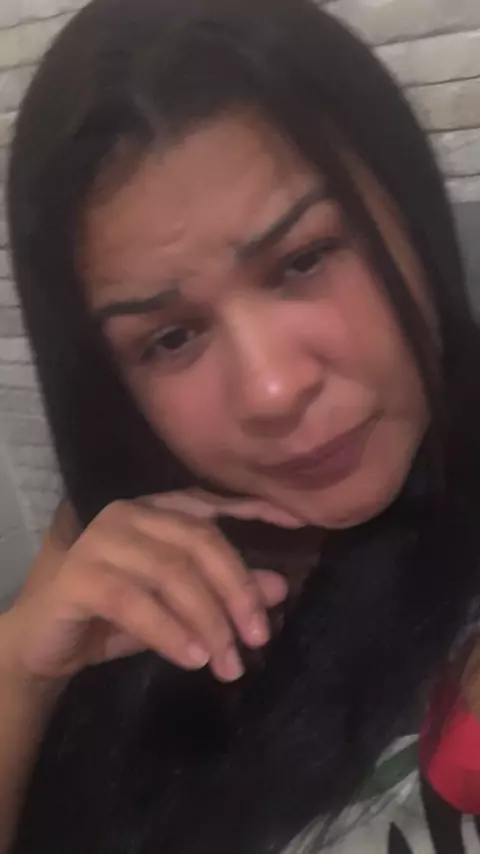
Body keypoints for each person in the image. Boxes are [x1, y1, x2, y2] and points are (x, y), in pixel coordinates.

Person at [1, 0, 480, 850]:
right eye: (171, 338)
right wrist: (19, 673)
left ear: (407, 209)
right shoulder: (106, 570)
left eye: (304, 258)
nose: (271, 389)